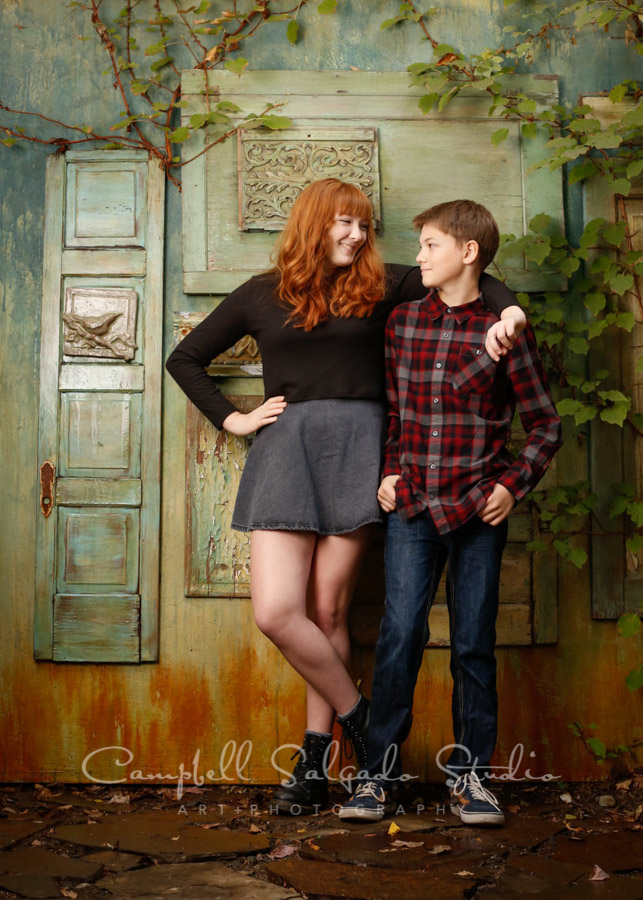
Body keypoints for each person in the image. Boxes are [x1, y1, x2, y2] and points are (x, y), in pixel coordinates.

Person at [165, 180, 526, 815]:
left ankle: (312, 762)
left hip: (362, 449)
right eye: (345, 223)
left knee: (330, 612)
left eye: (364, 225)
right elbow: (185, 358)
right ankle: (363, 722)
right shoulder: (261, 292)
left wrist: (513, 313)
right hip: (288, 451)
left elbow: (477, 277)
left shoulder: (387, 283)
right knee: (278, 612)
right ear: (312, 223)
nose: (358, 235)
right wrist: (235, 419)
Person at [339, 199, 562, 826]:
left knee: (472, 644)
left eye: (430, 245)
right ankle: (376, 777)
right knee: (399, 636)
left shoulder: (505, 333)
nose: (418, 257)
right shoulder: (402, 322)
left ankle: (471, 780)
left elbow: (546, 425)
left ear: (467, 253)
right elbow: (394, 414)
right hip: (411, 505)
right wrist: (387, 470)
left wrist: (514, 486)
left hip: (477, 511)